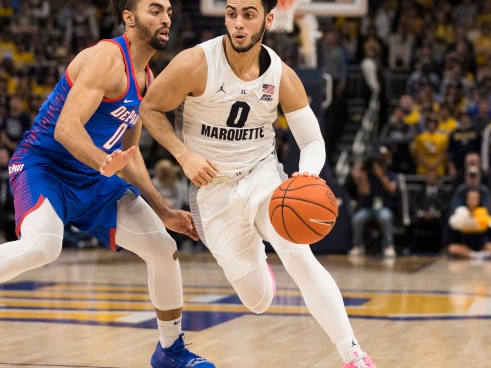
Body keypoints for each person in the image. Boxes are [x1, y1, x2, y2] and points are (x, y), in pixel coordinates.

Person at [0, 1, 214, 367]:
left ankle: (170, 350)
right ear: (129, 18)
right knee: (43, 247)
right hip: (45, 165)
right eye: (154, 10)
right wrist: (104, 161)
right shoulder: (106, 58)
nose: (165, 18)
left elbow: (130, 154)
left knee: (163, 250)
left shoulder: (147, 78)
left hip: (93, 178)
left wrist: (162, 210)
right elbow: (65, 127)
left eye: (167, 10)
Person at [139, 1, 377, 367]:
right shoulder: (195, 63)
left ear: (268, 19)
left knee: (299, 254)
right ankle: (256, 256)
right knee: (257, 301)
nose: (237, 23)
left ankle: (353, 354)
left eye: (248, 15)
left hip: (262, 177)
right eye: (231, 13)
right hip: (212, 190)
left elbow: (312, 142)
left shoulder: (282, 76)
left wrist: (307, 174)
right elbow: (150, 109)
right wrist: (184, 156)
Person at [447, 189, 491, 259]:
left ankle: (480, 254)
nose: (473, 200)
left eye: (476, 198)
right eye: (471, 198)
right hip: (466, 244)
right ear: (467, 199)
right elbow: (454, 224)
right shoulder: (461, 211)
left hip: (481, 244)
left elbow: (487, 225)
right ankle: (474, 255)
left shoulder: (483, 212)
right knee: (452, 248)